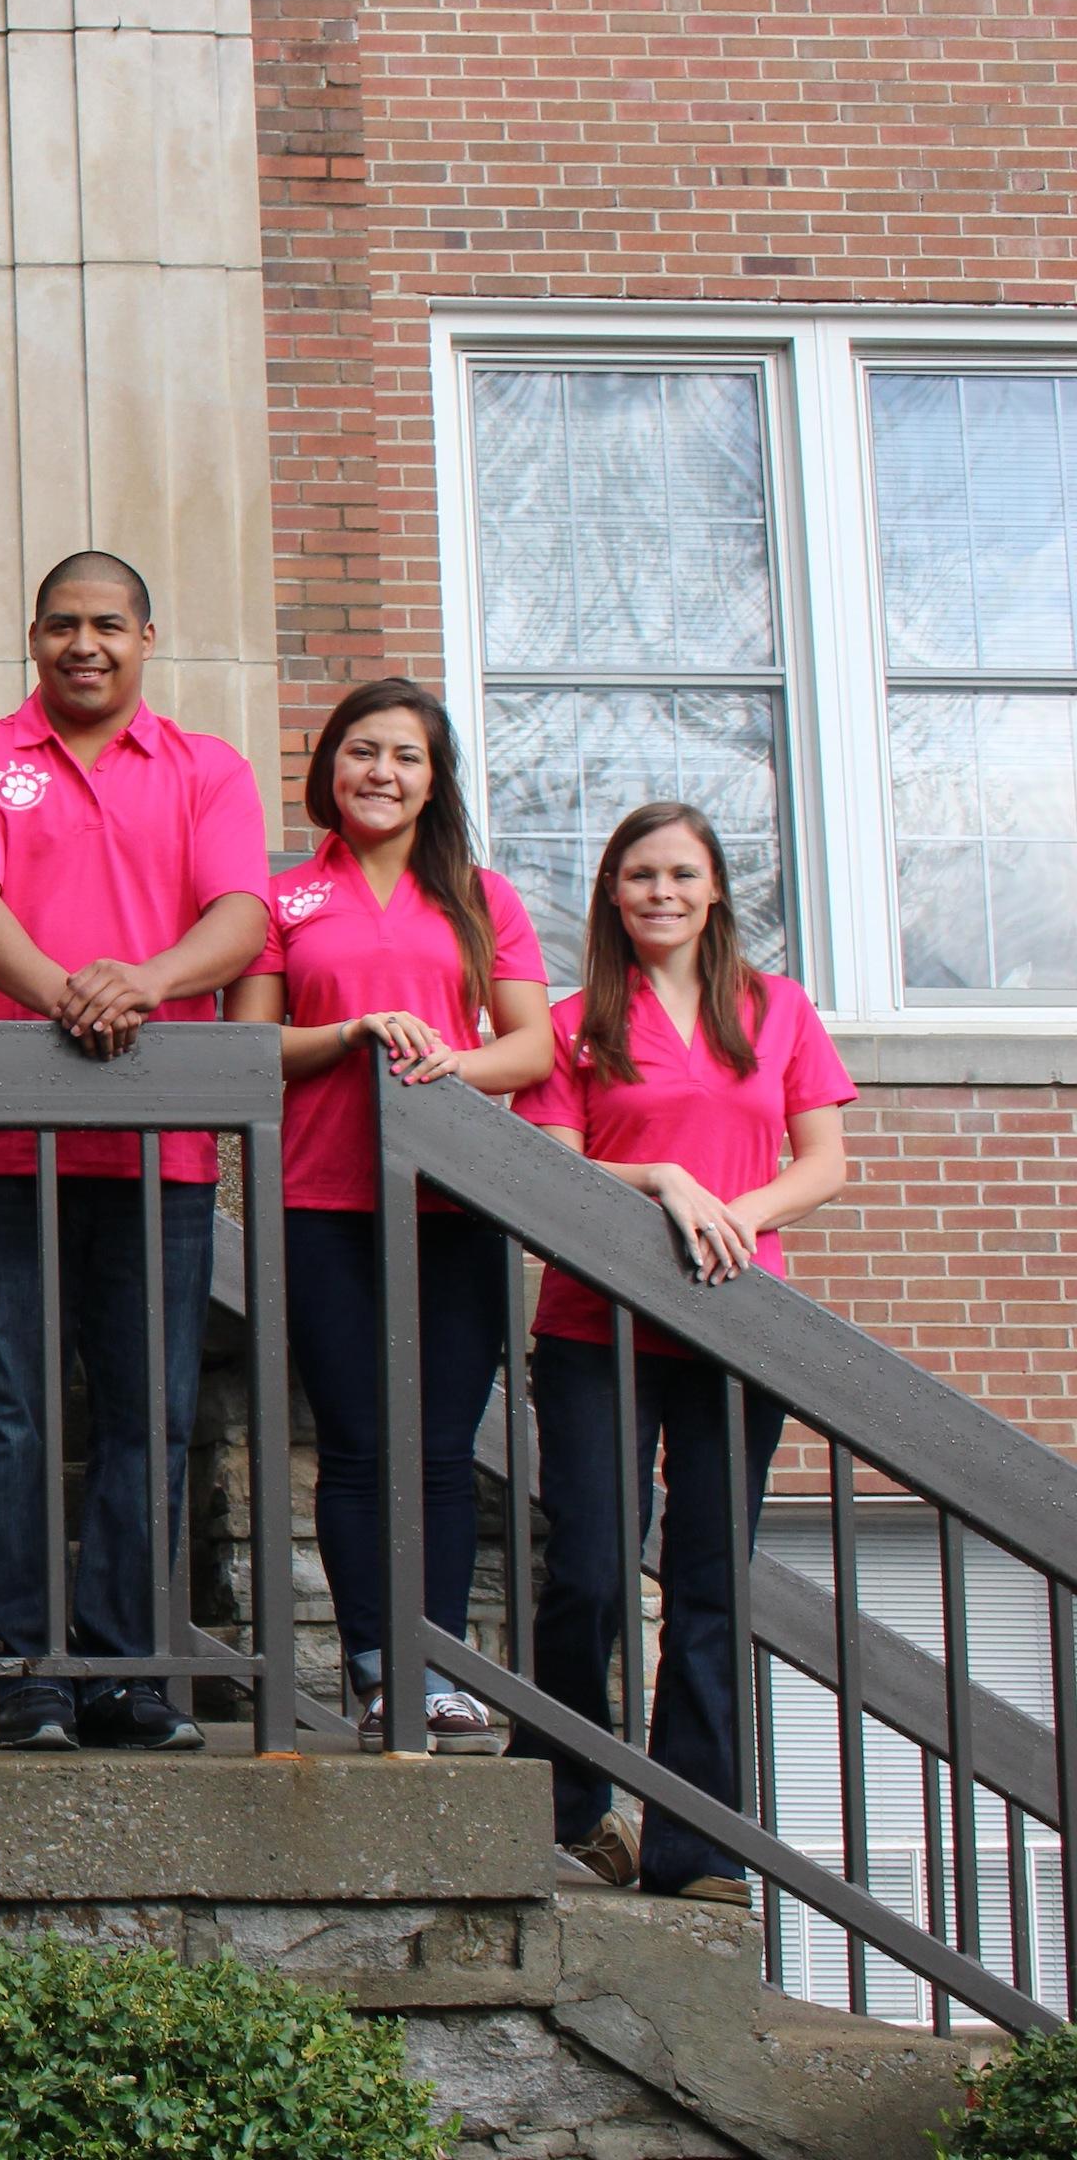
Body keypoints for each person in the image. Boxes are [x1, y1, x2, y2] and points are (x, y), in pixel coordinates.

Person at [0, 550, 268, 1754]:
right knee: (8, 1411)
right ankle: (29, 1667)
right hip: (4, 1148)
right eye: (63, 624)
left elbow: (239, 918)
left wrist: (145, 983)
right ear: (32, 635)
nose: (85, 645)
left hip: (156, 1152)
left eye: (109, 625)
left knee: (151, 1414)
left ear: (147, 636)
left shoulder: (205, 770)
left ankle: (127, 1670)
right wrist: (75, 996)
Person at [514, 801, 850, 1905]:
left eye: (681, 874)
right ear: (614, 895)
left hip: (737, 1328)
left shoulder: (778, 1009)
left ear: (714, 893)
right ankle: (570, 1811)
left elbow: (826, 1160)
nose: (660, 892)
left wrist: (740, 1216)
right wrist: (663, 1180)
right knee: (592, 1569)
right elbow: (551, 1168)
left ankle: (692, 1848)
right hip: (591, 1329)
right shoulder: (573, 1023)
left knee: (711, 1587)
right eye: (639, 876)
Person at [224, 680, 552, 1754]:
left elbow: (533, 1047)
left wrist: (451, 1064)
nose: (381, 773)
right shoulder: (286, 900)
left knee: (443, 1450)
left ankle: (442, 1672)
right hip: (322, 1200)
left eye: (406, 756)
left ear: (432, 778)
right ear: (328, 769)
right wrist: (353, 1032)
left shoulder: (480, 896)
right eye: (362, 751)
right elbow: (255, 1047)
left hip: (453, 1204)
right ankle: (377, 1676)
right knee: (358, 1446)